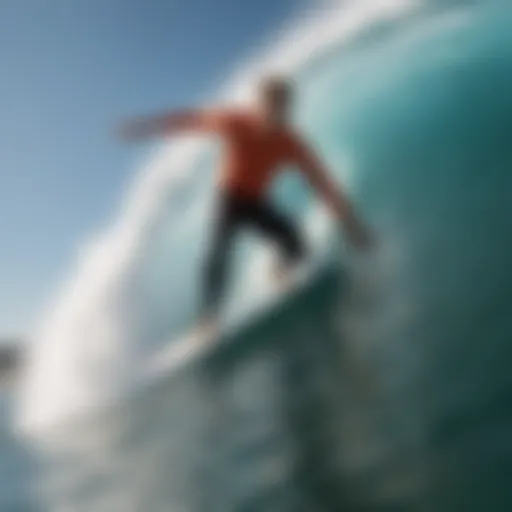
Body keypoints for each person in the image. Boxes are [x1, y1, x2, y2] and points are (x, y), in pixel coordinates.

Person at [119, 76, 372, 332]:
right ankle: (208, 318)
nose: (276, 112)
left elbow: (322, 183)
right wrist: (144, 127)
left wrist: (351, 226)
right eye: (271, 105)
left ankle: (279, 273)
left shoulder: (290, 142)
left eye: (283, 106)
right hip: (229, 198)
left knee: (295, 242)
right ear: (260, 105)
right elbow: (190, 121)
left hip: (255, 201)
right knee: (219, 252)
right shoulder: (235, 121)